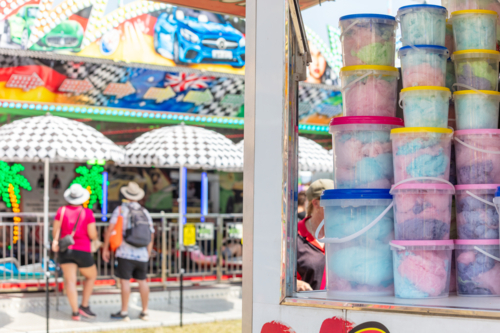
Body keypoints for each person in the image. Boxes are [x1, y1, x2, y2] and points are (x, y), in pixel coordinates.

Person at [102, 182, 154, 321]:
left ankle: (124, 312)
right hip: (142, 253)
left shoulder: (120, 210)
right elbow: (151, 234)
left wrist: (106, 248)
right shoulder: (144, 212)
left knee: (125, 282)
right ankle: (145, 311)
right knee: (142, 281)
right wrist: (148, 252)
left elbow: (110, 230)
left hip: (125, 252)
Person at [52, 184, 98, 321]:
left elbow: (56, 230)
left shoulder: (62, 210)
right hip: (83, 249)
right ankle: (84, 306)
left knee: (70, 281)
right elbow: (92, 234)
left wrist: (55, 242)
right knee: (91, 276)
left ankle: (75, 313)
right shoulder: (87, 213)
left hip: (65, 250)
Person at [296, 179, 334, 291]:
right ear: (316, 203)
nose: (338, 206)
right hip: (308, 305)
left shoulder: (342, 233)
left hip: (338, 306)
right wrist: (295, 283)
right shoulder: (295, 235)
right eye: (331, 201)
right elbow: (278, 274)